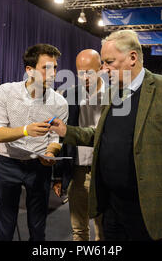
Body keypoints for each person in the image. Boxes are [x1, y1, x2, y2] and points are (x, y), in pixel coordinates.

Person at [50, 30, 162, 241]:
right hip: (111, 206)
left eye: (109, 62)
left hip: (150, 207)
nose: (103, 69)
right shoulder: (114, 92)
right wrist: (68, 132)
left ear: (132, 58)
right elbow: (102, 136)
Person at [0, 43, 68, 241]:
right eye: (46, 68)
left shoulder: (60, 102)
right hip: (9, 164)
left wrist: (51, 153)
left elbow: (55, 138)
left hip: (39, 166)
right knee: (5, 226)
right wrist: (25, 130)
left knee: (37, 225)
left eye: (55, 68)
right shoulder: (6, 92)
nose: (53, 73)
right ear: (29, 70)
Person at [53, 49, 105, 241]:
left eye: (89, 72)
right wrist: (58, 175)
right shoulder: (70, 95)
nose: (85, 77)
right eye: (80, 72)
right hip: (77, 171)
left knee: (103, 230)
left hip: (104, 170)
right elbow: (61, 137)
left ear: (100, 69)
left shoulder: (116, 96)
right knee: (79, 230)